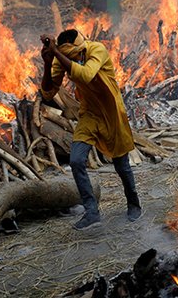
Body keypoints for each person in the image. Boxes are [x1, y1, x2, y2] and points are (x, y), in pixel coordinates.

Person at [39, 29, 142, 230]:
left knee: (122, 165)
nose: (71, 59)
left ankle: (133, 203)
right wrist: (48, 62)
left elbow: (85, 75)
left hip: (112, 113)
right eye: (67, 56)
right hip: (89, 114)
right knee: (76, 160)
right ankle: (92, 212)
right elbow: (49, 92)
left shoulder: (97, 49)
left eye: (73, 56)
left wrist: (58, 53)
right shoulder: (62, 57)